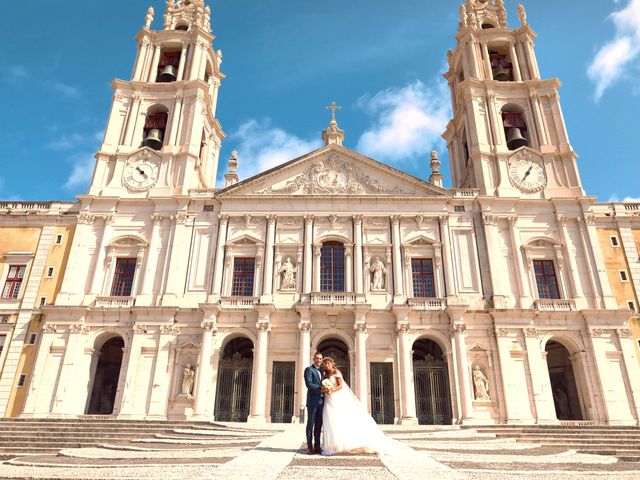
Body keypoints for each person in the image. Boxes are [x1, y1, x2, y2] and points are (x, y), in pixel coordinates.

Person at [320, 357, 411, 456]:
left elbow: (340, 386)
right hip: (329, 399)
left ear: (332, 364)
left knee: (340, 419)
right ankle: (333, 444)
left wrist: (331, 390)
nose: (327, 365)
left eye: (329, 363)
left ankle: (342, 442)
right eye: (325, 364)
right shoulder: (326, 374)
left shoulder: (336, 371)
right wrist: (325, 389)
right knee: (331, 419)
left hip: (336, 397)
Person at [303, 352, 324, 454]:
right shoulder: (309, 370)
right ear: (313, 359)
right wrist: (321, 388)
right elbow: (309, 384)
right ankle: (309, 447)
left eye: (320, 359)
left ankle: (317, 446)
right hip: (312, 401)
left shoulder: (321, 371)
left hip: (321, 402)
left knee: (319, 425)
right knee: (310, 425)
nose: (318, 360)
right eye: (317, 358)